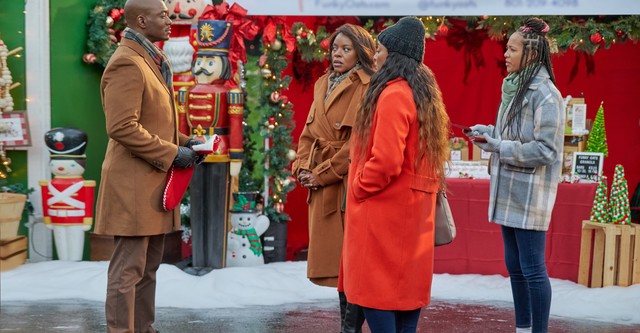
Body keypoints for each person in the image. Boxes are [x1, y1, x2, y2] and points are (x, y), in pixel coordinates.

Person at [94, 0, 202, 331]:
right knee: (128, 269)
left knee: (148, 267)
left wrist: (187, 143)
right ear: (142, 20)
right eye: (163, 15)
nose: (170, 20)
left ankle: (143, 328)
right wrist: (173, 154)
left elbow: (154, 124)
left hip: (150, 182)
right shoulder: (126, 61)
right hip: (133, 184)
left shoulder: (149, 58)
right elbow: (122, 127)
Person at [340, 16, 451, 333]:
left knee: (375, 296)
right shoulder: (423, 94)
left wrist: (359, 187)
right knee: (406, 305)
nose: (374, 56)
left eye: (380, 50)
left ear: (393, 55)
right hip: (412, 217)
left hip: (383, 217)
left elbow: (386, 161)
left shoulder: (392, 95)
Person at [466, 17, 564, 333]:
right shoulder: (515, 87)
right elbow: (515, 136)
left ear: (531, 54)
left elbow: (546, 151)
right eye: (506, 48)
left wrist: (500, 147)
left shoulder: (545, 94)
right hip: (510, 190)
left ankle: (538, 330)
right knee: (515, 266)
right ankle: (522, 328)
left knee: (532, 268)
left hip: (531, 192)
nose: (505, 54)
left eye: (512, 49)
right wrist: (489, 133)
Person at [291, 23, 375, 333]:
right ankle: (346, 327)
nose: (337, 54)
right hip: (319, 180)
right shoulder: (323, 83)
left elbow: (358, 144)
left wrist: (321, 175)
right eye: (334, 48)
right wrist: (301, 166)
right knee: (339, 265)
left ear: (361, 53)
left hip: (346, 184)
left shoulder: (367, 85)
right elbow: (309, 132)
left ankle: (350, 328)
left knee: (351, 262)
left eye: (346, 49)